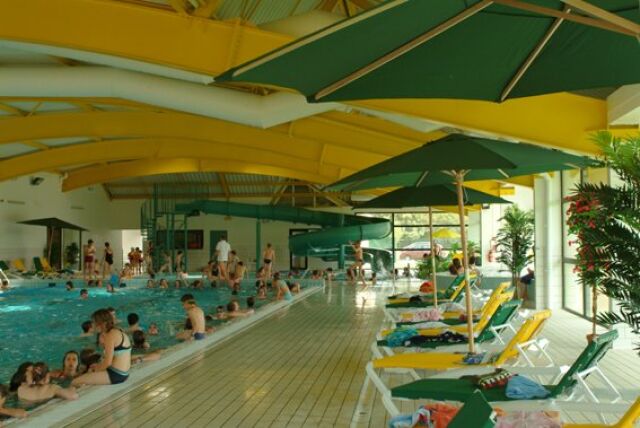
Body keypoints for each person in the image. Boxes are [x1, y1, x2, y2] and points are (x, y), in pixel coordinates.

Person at [72, 308, 132, 386]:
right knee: (89, 372)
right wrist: (98, 366)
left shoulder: (110, 336)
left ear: (102, 323)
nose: (92, 325)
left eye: (94, 322)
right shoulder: (117, 331)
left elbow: (107, 363)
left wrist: (94, 370)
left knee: (75, 381)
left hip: (117, 375)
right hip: (123, 372)